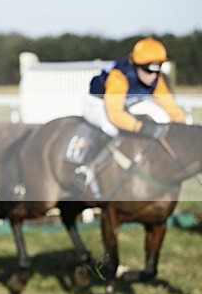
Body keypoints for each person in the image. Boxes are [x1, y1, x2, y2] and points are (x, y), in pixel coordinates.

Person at [73, 37, 186, 197]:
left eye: (157, 70)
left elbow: (171, 108)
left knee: (159, 116)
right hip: (97, 103)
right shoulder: (119, 77)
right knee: (111, 128)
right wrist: (142, 127)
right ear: (136, 65)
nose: (153, 76)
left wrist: (184, 127)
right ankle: (84, 170)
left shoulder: (156, 79)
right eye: (148, 70)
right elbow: (115, 115)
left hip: (124, 103)